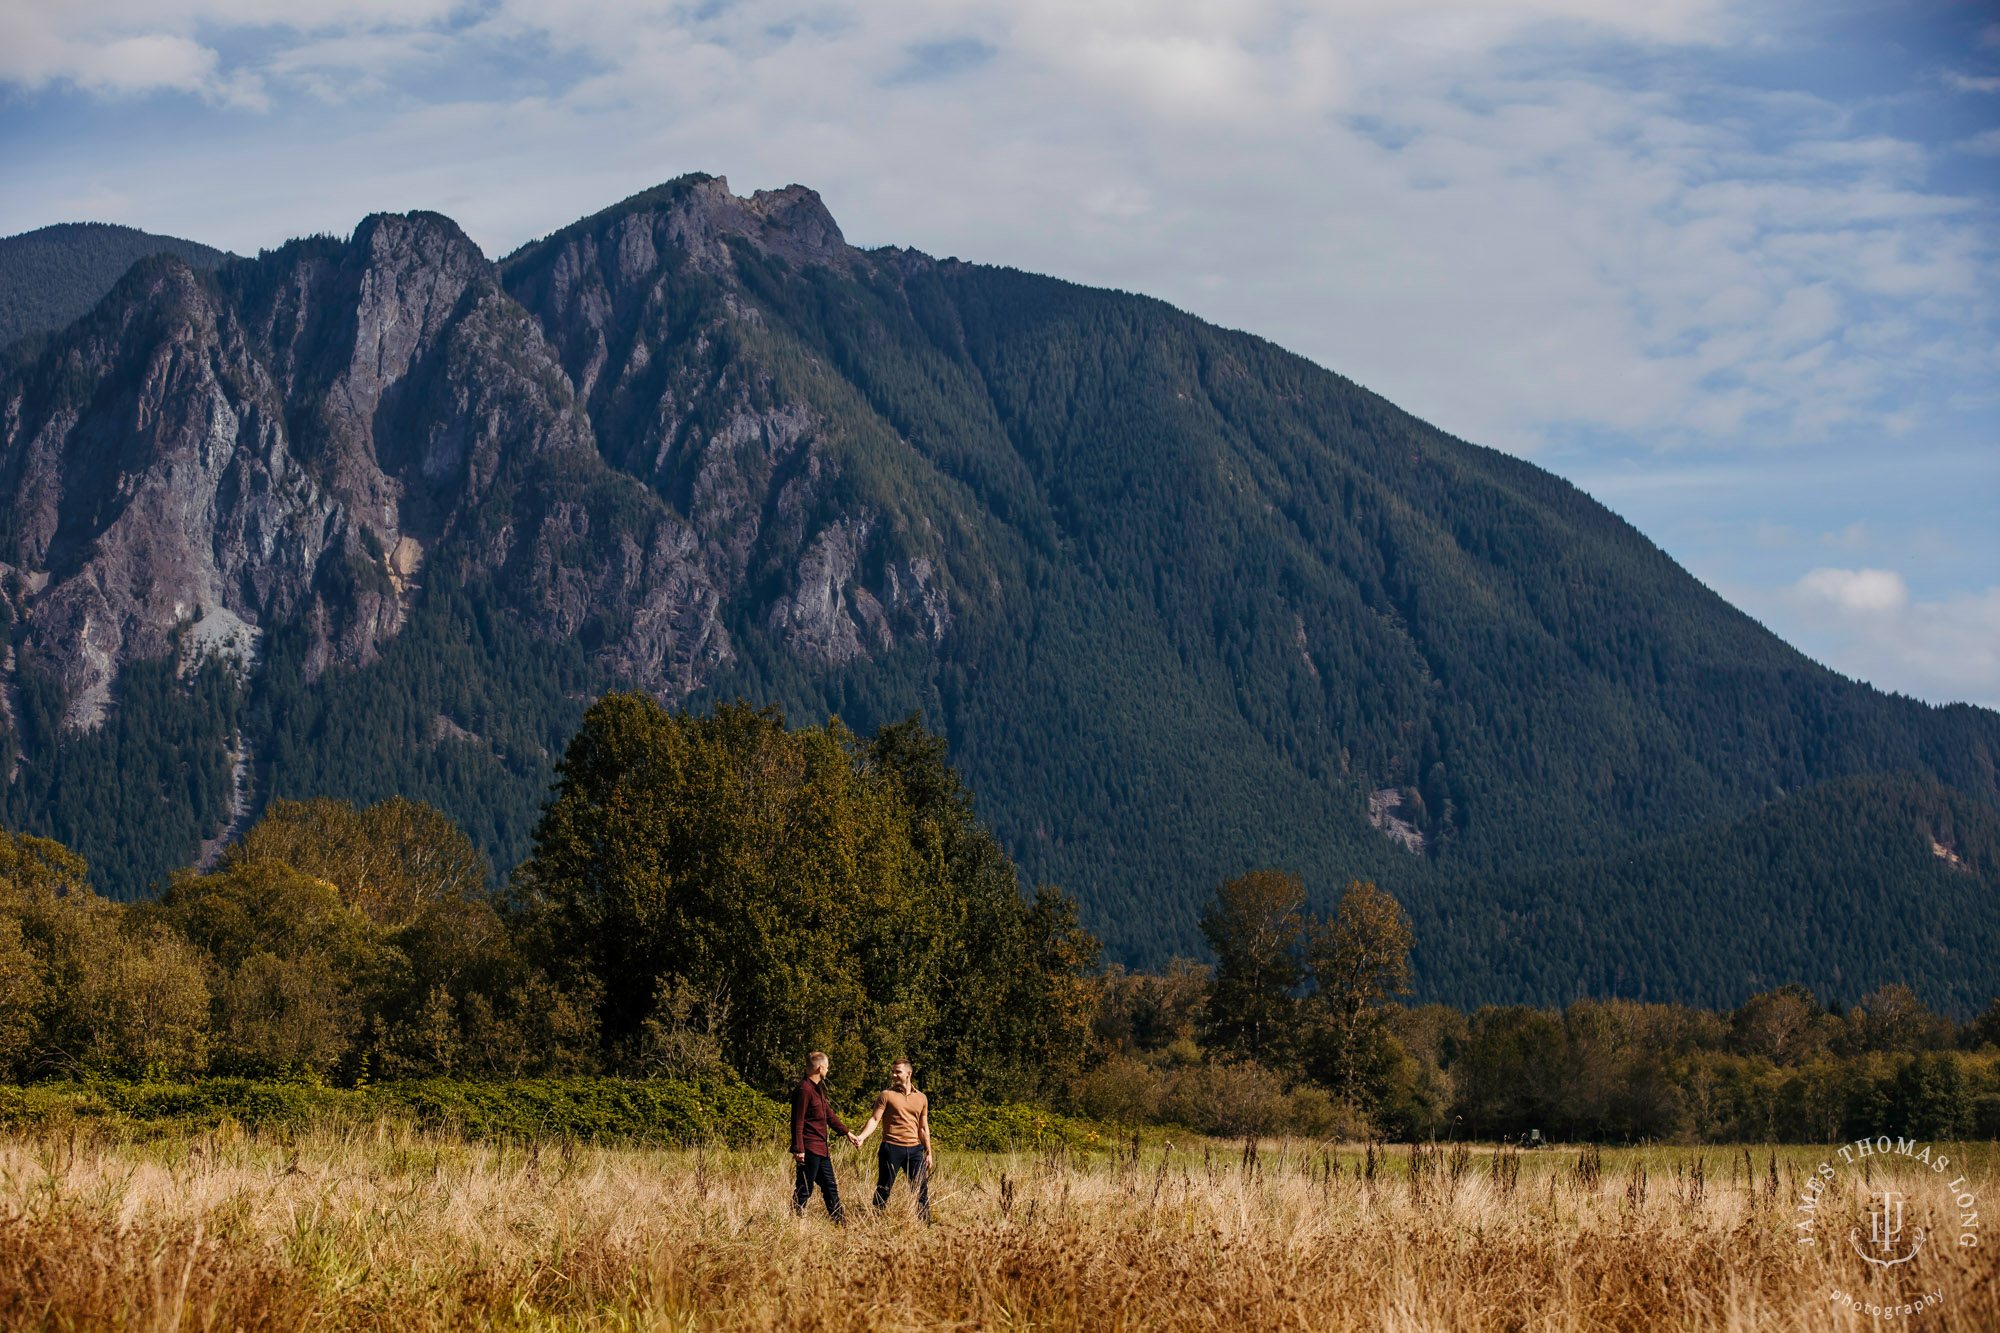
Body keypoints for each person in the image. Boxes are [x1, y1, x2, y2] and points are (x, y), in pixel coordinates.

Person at [853, 1058, 932, 1223]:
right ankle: (876, 1221)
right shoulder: (886, 1095)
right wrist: (862, 1137)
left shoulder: (922, 1098)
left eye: (898, 1072)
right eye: (893, 1072)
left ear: (908, 1074)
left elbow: (923, 1128)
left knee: (921, 1189)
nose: (894, 1075)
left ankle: (925, 1224)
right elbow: (875, 1119)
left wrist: (929, 1152)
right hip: (891, 1148)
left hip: (914, 1150)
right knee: (884, 1188)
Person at [790, 1051, 858, 1222]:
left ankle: (840, 1223)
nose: (828, 1071)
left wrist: (847, 1133)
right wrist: (798, 1149)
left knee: (830, 1187)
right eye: (827, 1068)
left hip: (822, 1150)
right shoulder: (804, 1089)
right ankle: (793, 1223)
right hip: (809, 1149)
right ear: (820, 1068)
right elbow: (797, 1121)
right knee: (804, 1189)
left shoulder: (817, 1089)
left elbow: (828, 1114)